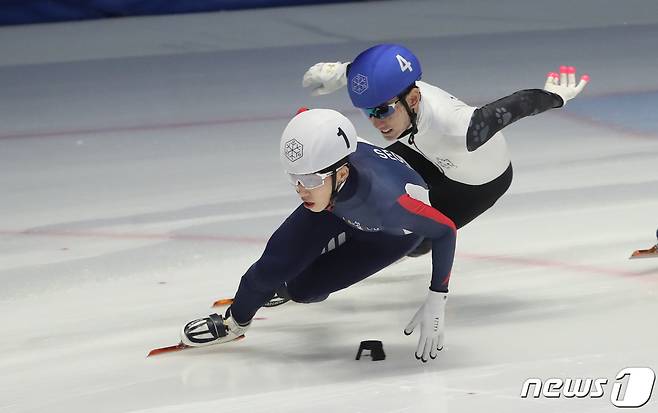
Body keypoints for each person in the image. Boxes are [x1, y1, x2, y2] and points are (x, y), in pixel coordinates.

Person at [180, 108, 457, 362]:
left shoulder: (391, 203)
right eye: (295, 178)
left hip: (388, 236)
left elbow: (445, 231)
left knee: (303, 289)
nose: (301, 190)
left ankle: (291, 288)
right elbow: (309, 119)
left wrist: (437, 296)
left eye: (310, 180)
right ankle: (234, 323)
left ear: (342, 172)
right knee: (271, 267)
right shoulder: (324, 176)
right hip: (334, 206)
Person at [302, 44, 589, 255]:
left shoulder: (460, 128)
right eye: (367, 112)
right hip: (424, 151)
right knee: (358, 181)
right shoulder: (397, 94)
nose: (376, 122)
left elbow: (516, 106)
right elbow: (367, 70)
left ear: (413, 99)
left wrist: (554, 97)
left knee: (414, 241)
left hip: (475, 182)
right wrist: (340, 72)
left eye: (383, 110)